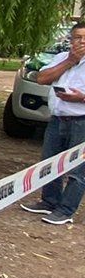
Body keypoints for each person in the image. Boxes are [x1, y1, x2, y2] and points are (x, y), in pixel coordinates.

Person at [22, 21, 85, 225]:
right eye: (77, 38)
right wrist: (70, 61)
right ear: (70, 39)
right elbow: (42, 78)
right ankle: (49, 200)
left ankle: (65, 210)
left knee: (77, 169)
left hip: (81, 122)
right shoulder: (61, 58)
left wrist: (82, 98)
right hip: (58, 119)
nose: (81, 42)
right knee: (49, 163)